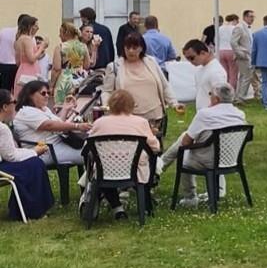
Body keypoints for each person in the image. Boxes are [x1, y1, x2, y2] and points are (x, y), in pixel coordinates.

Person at [159, 82, 247, 207]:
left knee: (183, 152)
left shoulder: (205, 114)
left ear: (216, 99)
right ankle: (160, 165)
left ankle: (189, 196)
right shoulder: (240, 115)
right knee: (185, 137)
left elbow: (186, 142)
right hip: (231, 159)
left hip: (208, 160)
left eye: (210, 94)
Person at [85, 89, 160, 220]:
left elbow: (88, 148)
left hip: (106, 170)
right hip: (135, 170)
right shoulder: (140, 122)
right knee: (150, 163)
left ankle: (117, 207)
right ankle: (146, 206)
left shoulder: (99, 123)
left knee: (99, 170)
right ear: (131, 105)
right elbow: (155, 147)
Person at [104, 34, 183, 132]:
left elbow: (164, 86)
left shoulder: (151, 62)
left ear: (141, 48)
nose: (131, 51)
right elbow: (107, 91)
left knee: (154, 145)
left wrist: (174, 104)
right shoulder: (114, 67)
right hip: (128, 118)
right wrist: (107, 109)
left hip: (155, 117)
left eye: (134, 47)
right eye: (128, 47)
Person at [0, 87, 56, 220]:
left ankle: (21, 209)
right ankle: (32, 211)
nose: (16, 105)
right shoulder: (2, 129)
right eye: (14, 102)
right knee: (34, 165)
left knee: (31, 164)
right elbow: (11, 156)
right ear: (5, 106)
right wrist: (35, 151)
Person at [13, 79, 90, 170]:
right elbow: (49, 125)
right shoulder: (26, 112)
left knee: (93, 148)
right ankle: (97, 183)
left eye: (48, 93)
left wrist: (65, 109)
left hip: (58, 145)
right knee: (92, 153)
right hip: (45, 151)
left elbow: (58, 124)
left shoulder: (44, 109)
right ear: (30, 95)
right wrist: (77, 126)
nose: (47, 96)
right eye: (43, 93)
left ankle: (90, 182)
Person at [50, 22, 92, 103]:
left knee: (62, 107)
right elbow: (87, 65)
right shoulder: (83, 46)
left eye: (60, 33)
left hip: (65, 80)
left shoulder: (60, 47)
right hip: (81, 79)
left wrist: (51, 86)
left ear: (66, 33)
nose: (59, 35)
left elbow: (56, 69)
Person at [181, 40, 227, 111]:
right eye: (187, 59)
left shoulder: (216, 71)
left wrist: (208, 112)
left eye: (192, 58)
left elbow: (220, 98)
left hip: (212, 116)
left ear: (203, 53)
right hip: (203, 114)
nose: (190, 62)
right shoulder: (200, 69)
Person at [13, 15, 43, 87]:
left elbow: (17, 61)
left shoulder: (18, 40)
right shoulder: (27, 39)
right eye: (35, 25)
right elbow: (32, 59)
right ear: (30, 26)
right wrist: (42, 47)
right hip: (29, 72)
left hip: (21, 70)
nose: (37, 28)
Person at [231, 10, 254, 103]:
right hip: (243, 56)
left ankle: (239, 96)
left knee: (244, 76)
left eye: (253, 17)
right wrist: (240, 53)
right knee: (247, 76)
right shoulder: (239, 27)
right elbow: (233, 42)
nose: (252, 19)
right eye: (250, 16)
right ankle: (240, 97)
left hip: (247, 55)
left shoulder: (247, 28)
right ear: (245, 17)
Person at [0, 14, 26, 94]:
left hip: (4, 65)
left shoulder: (4, 31)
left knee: (4, 91)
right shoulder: (26, 36)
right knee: (17, 92)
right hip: (19, 65)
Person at [216, 14, 238, 88]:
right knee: (233, 73)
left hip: (221, 51)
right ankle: (231, 92)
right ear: (234, 20)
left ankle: (224, 91)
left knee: (225, 73)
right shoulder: (235, 28)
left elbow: (216, 40)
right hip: (231, 50)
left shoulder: (220, 28)